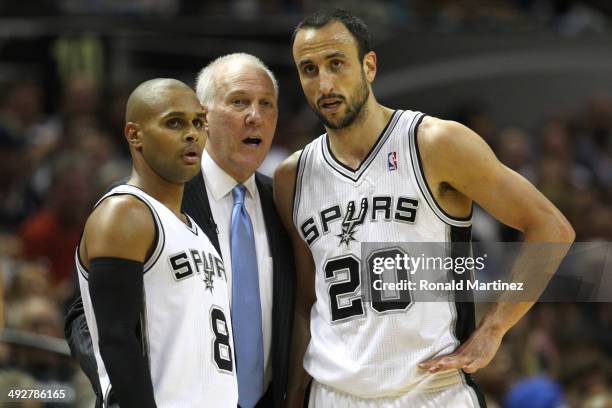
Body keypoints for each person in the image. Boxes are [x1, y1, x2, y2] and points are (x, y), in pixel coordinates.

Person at [274, 9, 575, 408]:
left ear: (369, 66)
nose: (324, 83)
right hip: (332, 395)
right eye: (309, 69)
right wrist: (296, 392)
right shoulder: (292, 177)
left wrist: (493, 330)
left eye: (336, 64)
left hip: (432, 390)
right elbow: (306, 301)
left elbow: (551, 228)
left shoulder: (435, 143)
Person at [65, 54, 295, 408]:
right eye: (238, 102)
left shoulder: (284, 202)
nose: (256, 116)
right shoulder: (144, 202)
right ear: (208, 113)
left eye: (267, 104)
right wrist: (122, 389)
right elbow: (90, 317)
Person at [75, 78, 237, 407]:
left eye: (198, 123)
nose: (192, 134)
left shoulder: (196, 230)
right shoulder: (125, 213)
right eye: (174, 123)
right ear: (135, 135)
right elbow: (117, 340)